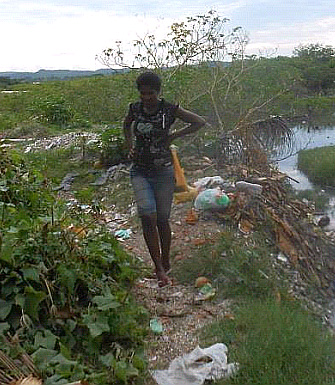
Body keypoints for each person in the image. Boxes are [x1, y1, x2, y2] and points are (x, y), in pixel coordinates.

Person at [123, 71, 206, 287]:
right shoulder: (135, 108)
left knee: (162, 220)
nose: (146, 98)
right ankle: (159, 268)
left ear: (158, 92)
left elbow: (199, 122)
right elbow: (126, 126)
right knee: (147, 216)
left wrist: (174, 136)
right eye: (143, 94)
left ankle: (165, 260)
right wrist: (129, 146)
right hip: (140, 171)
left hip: (163, 171)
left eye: (150, 94)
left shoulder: (169, 109)